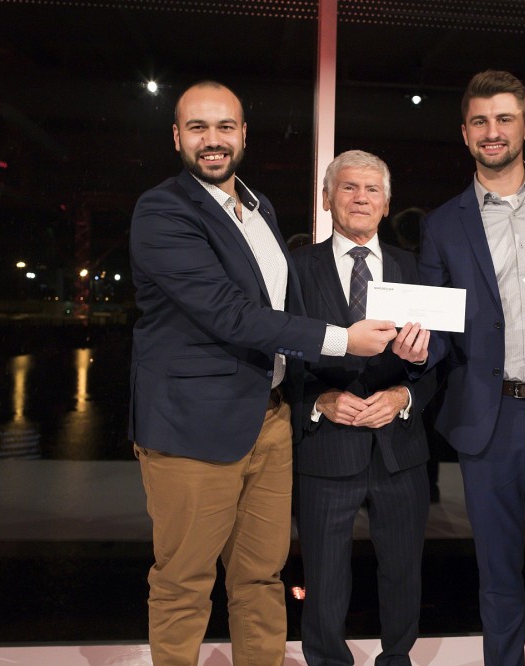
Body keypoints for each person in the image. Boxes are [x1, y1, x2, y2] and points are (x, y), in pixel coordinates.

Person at [128, 80, 397, 666]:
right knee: (184, 581)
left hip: (269, 420)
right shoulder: (163, 211)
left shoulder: (257, 207)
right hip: (193, 428)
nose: (213, 139)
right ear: (176, 137)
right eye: (198, 128)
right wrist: (343, 339)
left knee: (261, 577)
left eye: (225, 126)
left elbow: (279, 306)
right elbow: (230, 314)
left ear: (243, 134)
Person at [392, 70, 525, 666]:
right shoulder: (442, 224)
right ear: (465, 132)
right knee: (497, 572)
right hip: (490, 416)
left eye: (505, 118)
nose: (492, 131)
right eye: (480, 120)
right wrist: (418, 350)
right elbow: (438, 325)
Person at [291, 150, 436, 666]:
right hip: (325, 448)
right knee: (324, 578)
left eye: (372, 189)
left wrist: (403, 397)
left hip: (400, 450)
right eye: (348, 188)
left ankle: (397, 660)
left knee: (403, 574)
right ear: (327, 199)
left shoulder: (415, 268)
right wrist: (318, 401)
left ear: (386, 203)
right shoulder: (294, 270)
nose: (360, 198)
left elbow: (439, 360)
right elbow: (281, 356)